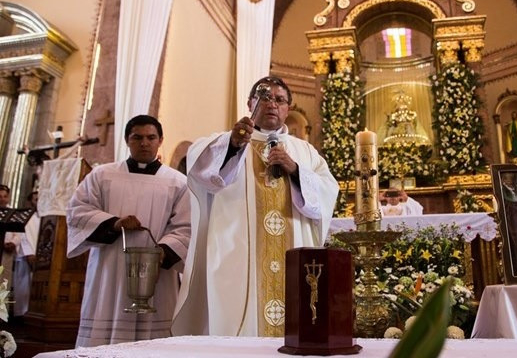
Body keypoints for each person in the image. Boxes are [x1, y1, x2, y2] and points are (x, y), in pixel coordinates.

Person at [172, 76, 338, 337]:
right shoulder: (228, 140)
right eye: (265, 97)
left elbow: (327, 193)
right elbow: (200, 168)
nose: (272, 104)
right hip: (237, 254)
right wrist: (233, 145)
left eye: (280, 100)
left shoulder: (304, 151)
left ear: (288, 108)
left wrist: (295, 169)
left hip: (292, 254)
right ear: (250, 103)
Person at [66, 115, 191, 347]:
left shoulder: (178, 182)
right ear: (127, 140)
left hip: (157, 272)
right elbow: (77, 211)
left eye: (151, 137)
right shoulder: (102, 175)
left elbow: (187, 226)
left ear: (160, 140)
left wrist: (164, 251)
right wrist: (113, 223)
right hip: (110, 267)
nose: (144, 143)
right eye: (137, 137)